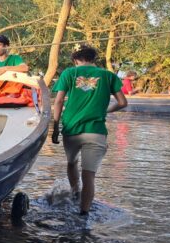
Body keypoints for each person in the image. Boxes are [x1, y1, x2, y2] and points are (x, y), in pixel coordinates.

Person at [51, 45, 127, 216]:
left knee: (71, 163)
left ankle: (74, 191)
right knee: (89, 176)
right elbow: (122, 103)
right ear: (93, 59)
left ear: (75, 60)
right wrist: (104, 110)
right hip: (96, 131)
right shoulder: (108, 76)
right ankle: (84, 214)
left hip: (71, 129)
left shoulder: (69, 73)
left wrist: (55, 128)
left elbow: (59, 101)